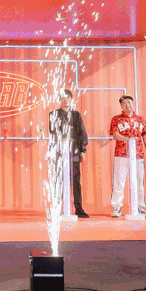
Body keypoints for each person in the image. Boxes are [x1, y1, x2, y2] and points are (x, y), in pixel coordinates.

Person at [109, 95, 146, 218]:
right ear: (121, 106)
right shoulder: (116, 119)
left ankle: (140, 207)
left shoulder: (140, 119)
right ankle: (117, 207)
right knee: (119, 181)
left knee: (139, 182)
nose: (128, 105)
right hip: (121, 154)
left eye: (130, 103)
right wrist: (127, 140)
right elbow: (115, 134)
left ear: (133, 104)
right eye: (125, 103)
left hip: (138, 154)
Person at [48, 89, 89, 217]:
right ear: (59, 99)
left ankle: (78, 208)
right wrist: (61, 139)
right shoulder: (54, 114)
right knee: (59, 181)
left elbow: (82, 133)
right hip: (59, 154)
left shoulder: (76, 115)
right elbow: (53, 132)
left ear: (71, 99)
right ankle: (58, 208)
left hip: (74, 153)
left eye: (67, 98)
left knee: (76, 182)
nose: (65, 100)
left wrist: (82, 150)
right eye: (63, 98)